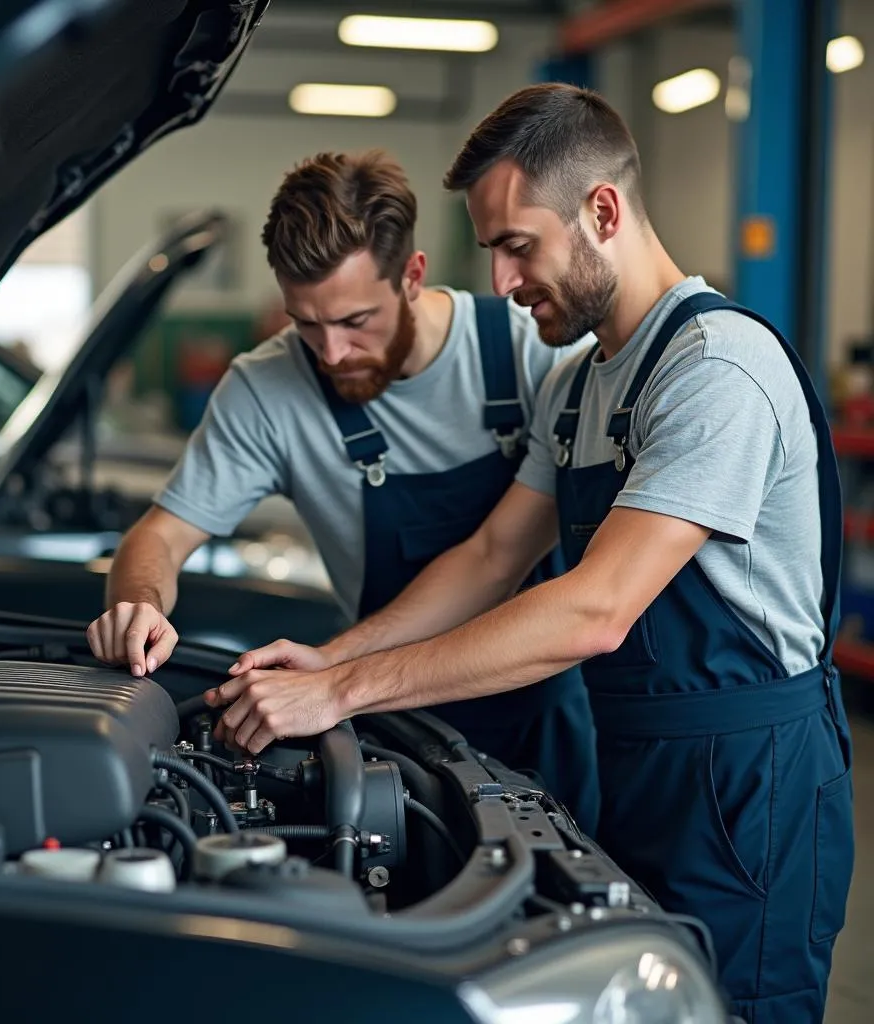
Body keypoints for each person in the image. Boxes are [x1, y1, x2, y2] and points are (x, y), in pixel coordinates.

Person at [205, 87, 854, 1022]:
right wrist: (332, 659)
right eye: (493, 252)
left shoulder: (716, 372)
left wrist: (344, 695)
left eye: (518, 245)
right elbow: (490, 556)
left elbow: (597, 610)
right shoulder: (580, 386)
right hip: (637, 762)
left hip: (749, 781)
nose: (501, 283)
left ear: (602, 211)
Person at [85, 149, 600, 829]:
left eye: (356, 322)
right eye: (305, 323)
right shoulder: (265, 389)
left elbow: (496, 559)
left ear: (412, 276)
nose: (330, 354)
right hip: (395, 723)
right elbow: (161, 533)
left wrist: (334, 667)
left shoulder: (535, 354)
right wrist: (137, 602)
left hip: (554, 714)